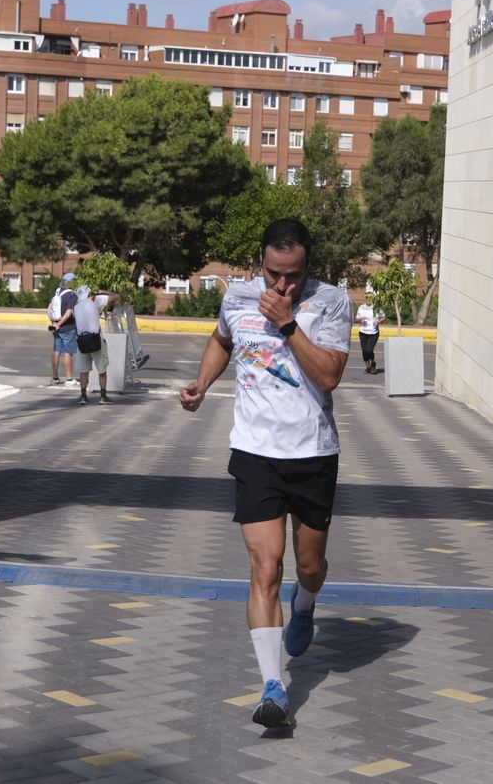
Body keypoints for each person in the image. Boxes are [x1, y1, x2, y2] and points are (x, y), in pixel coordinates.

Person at [179, 218, 351, 729]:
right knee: (265, 567)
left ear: (307, 267)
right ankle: (273, 687)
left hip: (313, 454)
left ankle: (307, 604)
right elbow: (222, 340)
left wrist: (288, 323)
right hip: (254, 452)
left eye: (294, 275)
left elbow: (329, 376)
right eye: (275, 274)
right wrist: (203, 383)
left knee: (310, 565)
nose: (283, 286)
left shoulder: (332, 303)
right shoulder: (237, 297)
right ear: (261, 263)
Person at [72, 284, 115, 405]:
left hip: (81, 341)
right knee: (102, 369)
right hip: (96, 340)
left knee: (83, 371)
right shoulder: (95, 301)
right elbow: (116, 296)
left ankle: (83, 397)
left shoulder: (76, 307)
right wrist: (102, 292)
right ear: (90, 294)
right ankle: (103, 396)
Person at [47, 272, 80, 386]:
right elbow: (68, 313)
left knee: (56, 351)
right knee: (68, 353)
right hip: (68, 327)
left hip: (56, 327)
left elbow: (49, 309)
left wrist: (54, 323)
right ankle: (69, 379)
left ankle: (55, 377)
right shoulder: (72, 294)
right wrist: (60, 324)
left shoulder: (57, 292)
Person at [355, 300, 386, 374]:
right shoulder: (361, 307)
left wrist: (378, 322)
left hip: (373, 333)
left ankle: (373, 364)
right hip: (363, 332)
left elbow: (384, 317)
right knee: (364, 351)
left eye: (370, 298)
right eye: (367, 298)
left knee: (369, 350)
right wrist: (361, 319)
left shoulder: (377, 307)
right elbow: (356, 319)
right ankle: (368, 367)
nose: (368, 300)